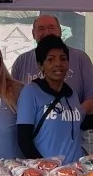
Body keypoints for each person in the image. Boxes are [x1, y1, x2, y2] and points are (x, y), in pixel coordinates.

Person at [10, 14, 93, 114]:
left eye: (51, 27)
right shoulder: (21, 61)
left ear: (60, 31)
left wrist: (71, 120)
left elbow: (91, 99)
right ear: (33, 34)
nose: (47, 32)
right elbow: (12, 99)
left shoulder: (81, 58)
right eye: (41, 28)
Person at [17, 35, 85, 164]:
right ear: (40, 66)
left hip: (75, 173)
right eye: (50, 60)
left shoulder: (72, 94)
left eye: (63, 59)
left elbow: (80, 123)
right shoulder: (31, 92)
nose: (58, 64)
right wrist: (44, 168)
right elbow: (23, 140)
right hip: (48, 175)